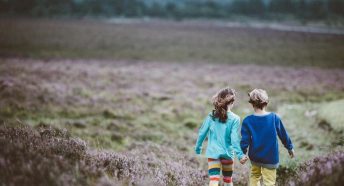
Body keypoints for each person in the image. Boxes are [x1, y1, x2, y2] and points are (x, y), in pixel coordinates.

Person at [240, 89, 295, 186]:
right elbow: (283, 134)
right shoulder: (274, 118)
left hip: (255, 157)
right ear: (266, 103)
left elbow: (245, 140)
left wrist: (243, 153)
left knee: (254, 176)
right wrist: (289, 147)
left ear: (252, 104)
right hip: (271, 158)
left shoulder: (247, 121)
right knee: (269, 182)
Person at [195, 87, 248, 186]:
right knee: (228, 180)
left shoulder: (211, 116)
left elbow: (202, 133)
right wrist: (240, 155)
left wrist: (198, 148)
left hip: (213, 153)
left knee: (214, 180)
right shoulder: (235, 118)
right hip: (227, 154)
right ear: (232, 102)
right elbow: (234, 139)